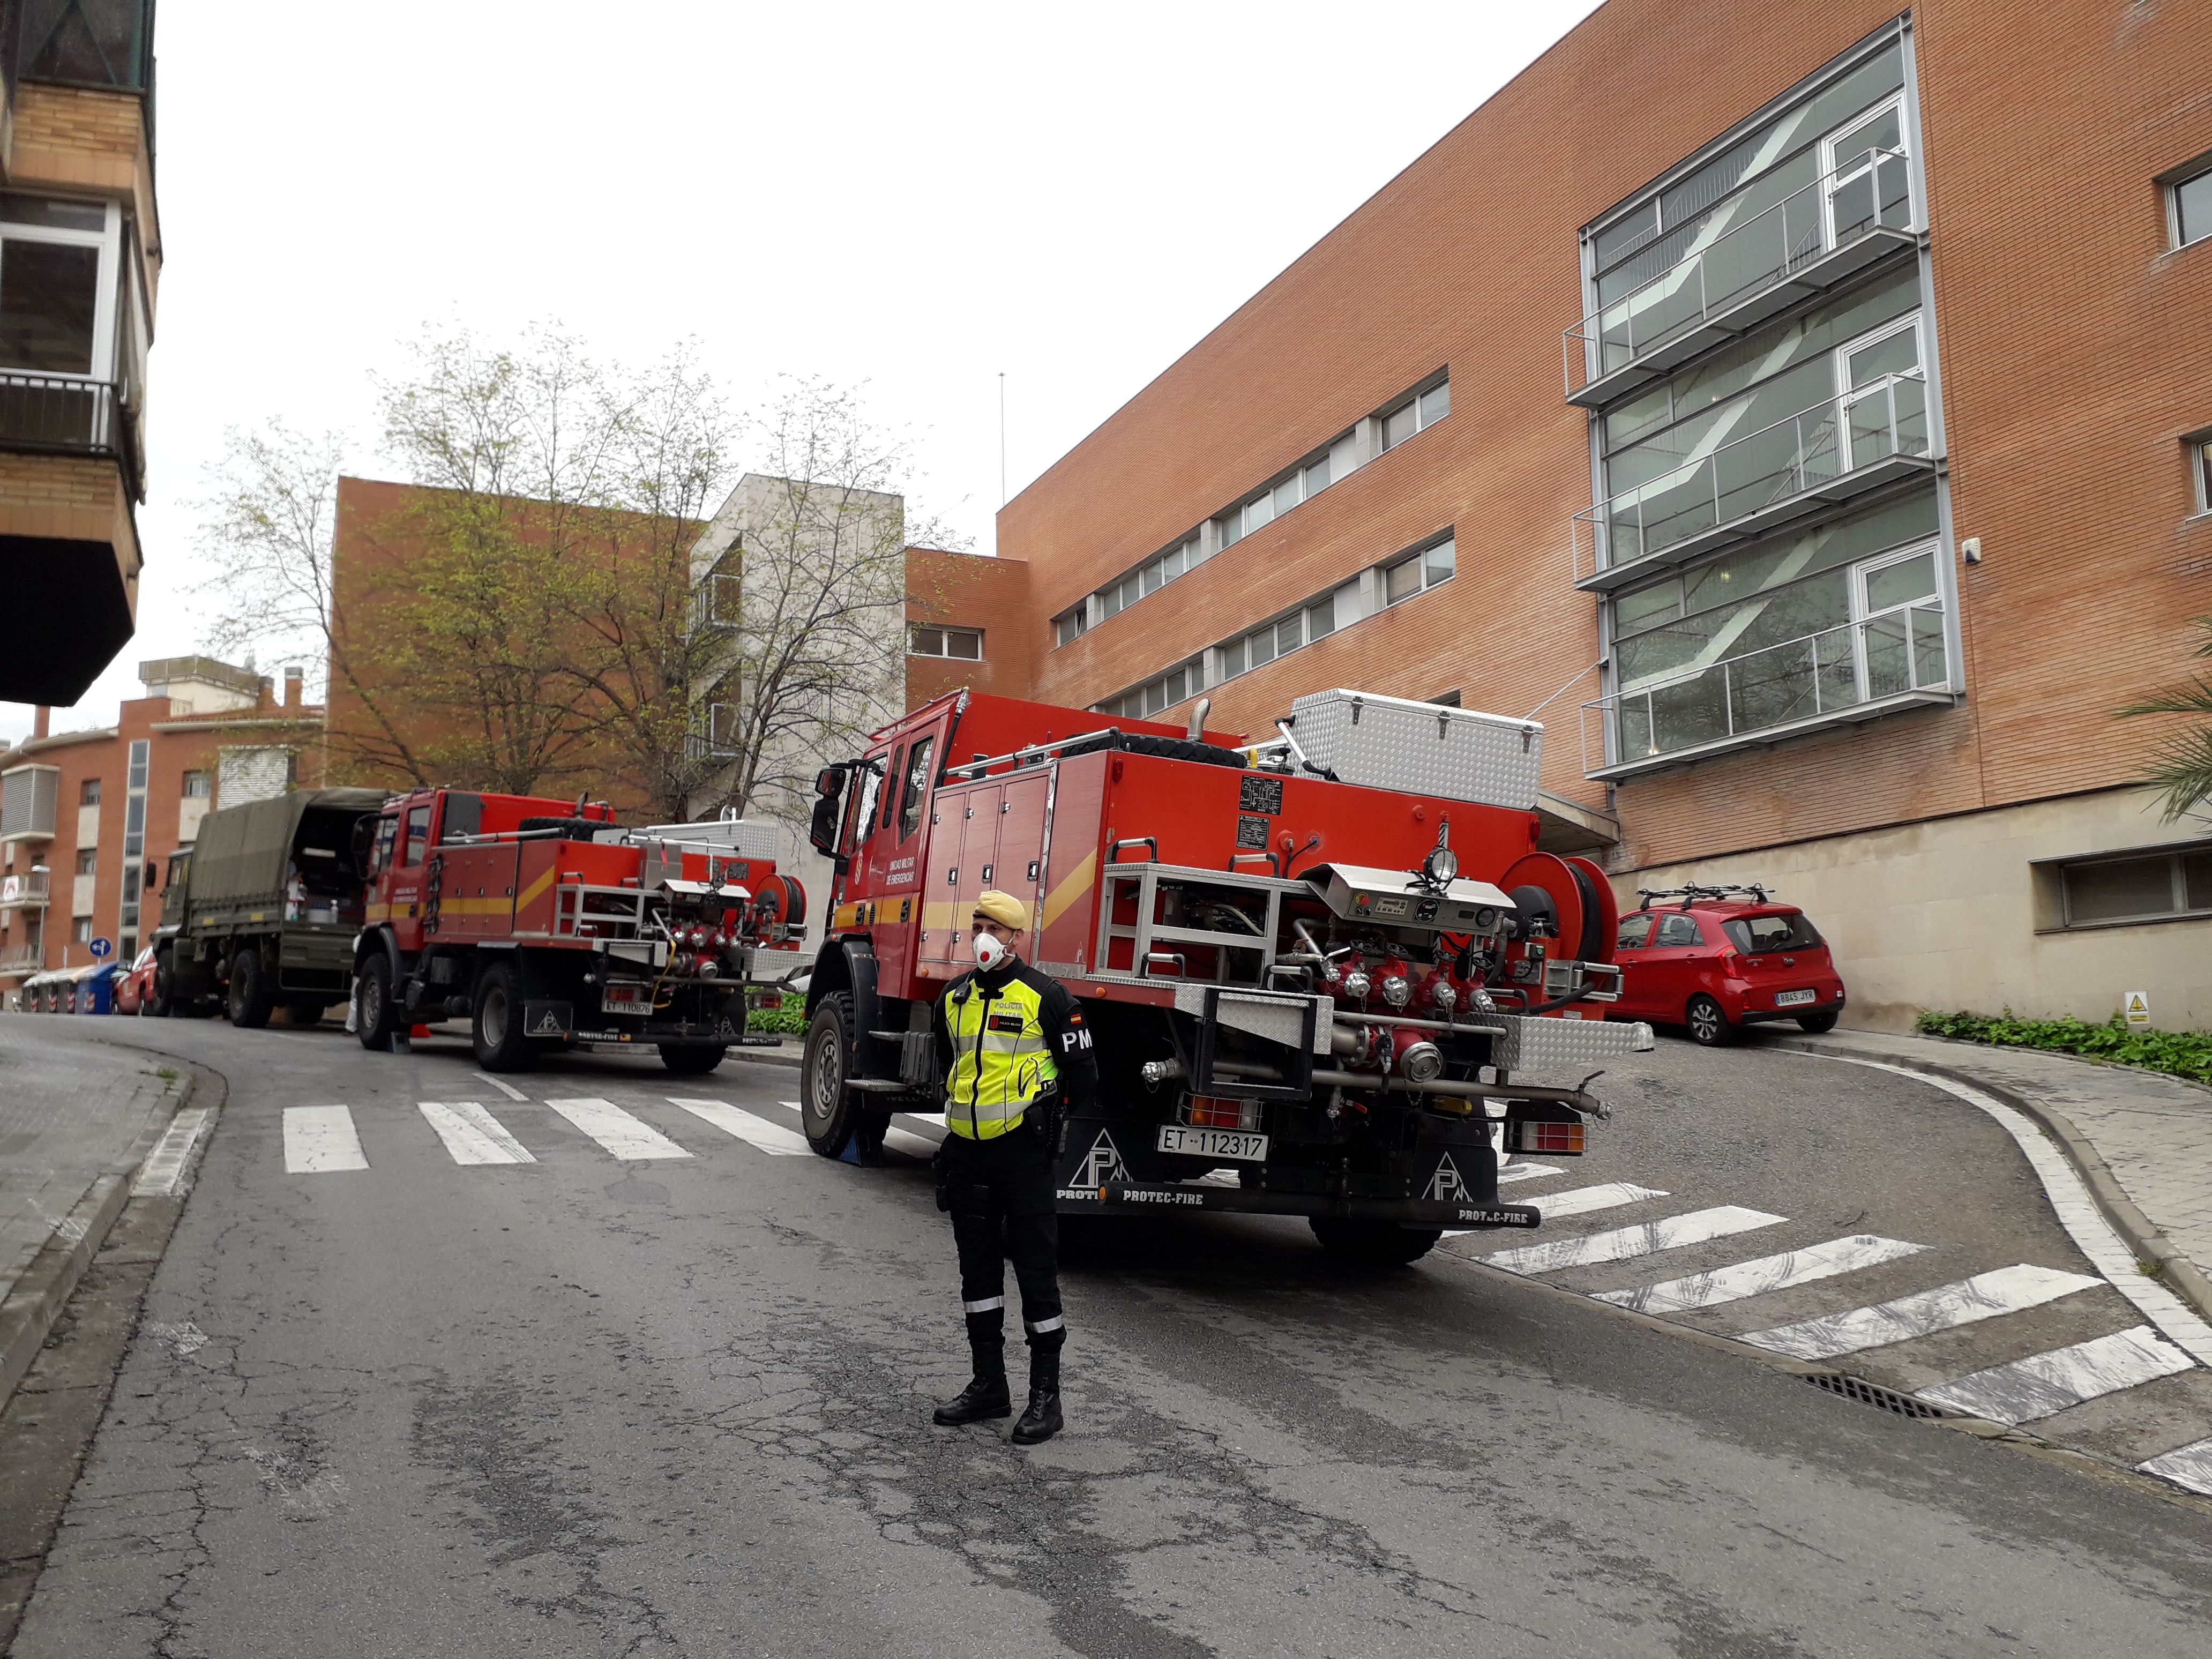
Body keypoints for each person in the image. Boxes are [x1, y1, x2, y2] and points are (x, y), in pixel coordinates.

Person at [929, 890, 1096, 1444]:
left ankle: (1045, 1400)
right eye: (977, 924)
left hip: (1023, 1159)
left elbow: (1085, 1076)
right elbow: (947, 1065)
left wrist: (1049, 1125)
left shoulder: (1047, 997)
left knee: (1035, 1273)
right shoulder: (953, 998)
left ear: (1015, 938)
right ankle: (988, 1387)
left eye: (994, 928)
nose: (983, 935)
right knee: (977, 1277)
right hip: (968, 1156)